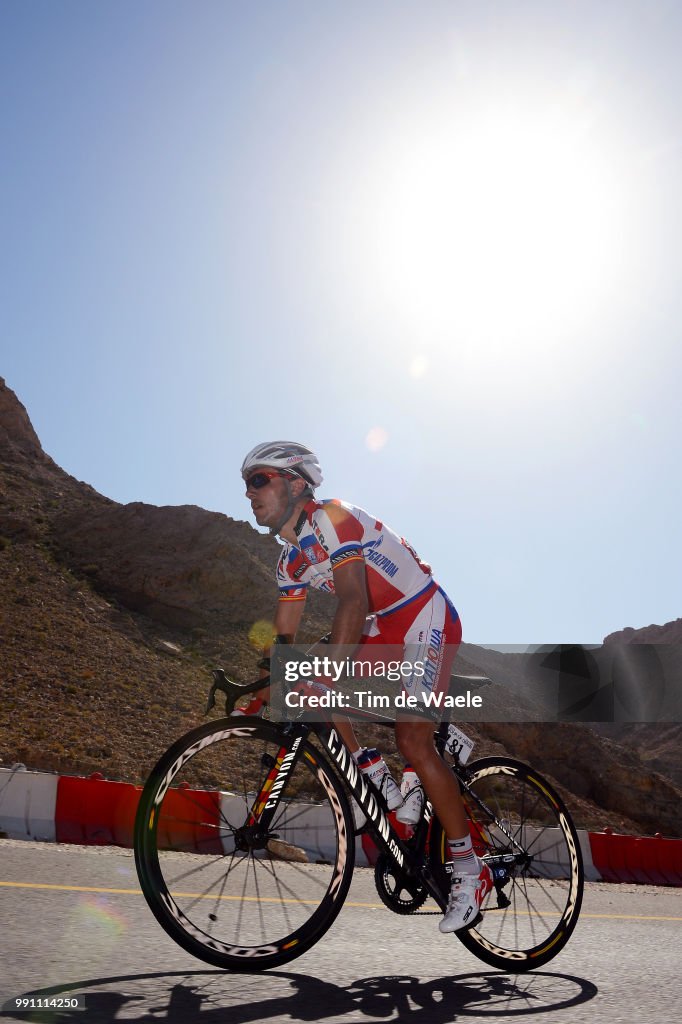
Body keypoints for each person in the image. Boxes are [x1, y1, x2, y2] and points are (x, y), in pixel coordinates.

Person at [236, 440, 492, 933]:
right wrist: (268, 688)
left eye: (258, 480)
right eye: (246, 485)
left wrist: (323, 674)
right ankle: (373, 776)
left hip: (423, 615)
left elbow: (352, 601)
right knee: (304, 675)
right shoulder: (291, 562)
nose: (249, 494)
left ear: (295, 482)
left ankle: (468, 868)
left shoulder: (333, 517)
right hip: (384, 627)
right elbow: (283, 643)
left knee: (411, 739)